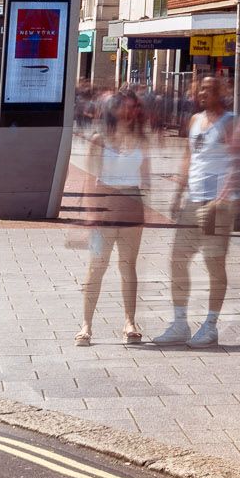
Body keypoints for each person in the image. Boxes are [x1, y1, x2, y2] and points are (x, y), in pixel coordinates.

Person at [154, 74, 240, 349]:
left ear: (221, 91)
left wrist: (222, 200)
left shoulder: (230, 122)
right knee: (177, 259)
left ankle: (211, 325)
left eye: (211, 89)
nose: (204, 93)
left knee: (214, 263)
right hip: (193, 200)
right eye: (201, 89)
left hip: (217, 203)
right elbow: (188, 157)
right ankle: (180, 322)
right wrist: (178, 193)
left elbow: (239, 164)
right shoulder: (194, 120)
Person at [76, 91, 150, 347]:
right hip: (105, 206)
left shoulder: (140, 141)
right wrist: (91, 214)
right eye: (123, 108)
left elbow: (146, 178)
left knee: (128, 265)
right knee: (97, 266)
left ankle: (130, 322)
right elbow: (89, 180)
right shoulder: (99, 139)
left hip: (132, 207)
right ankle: (86, 324)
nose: (128, 113)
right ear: (112, 110)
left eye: (132, 108)